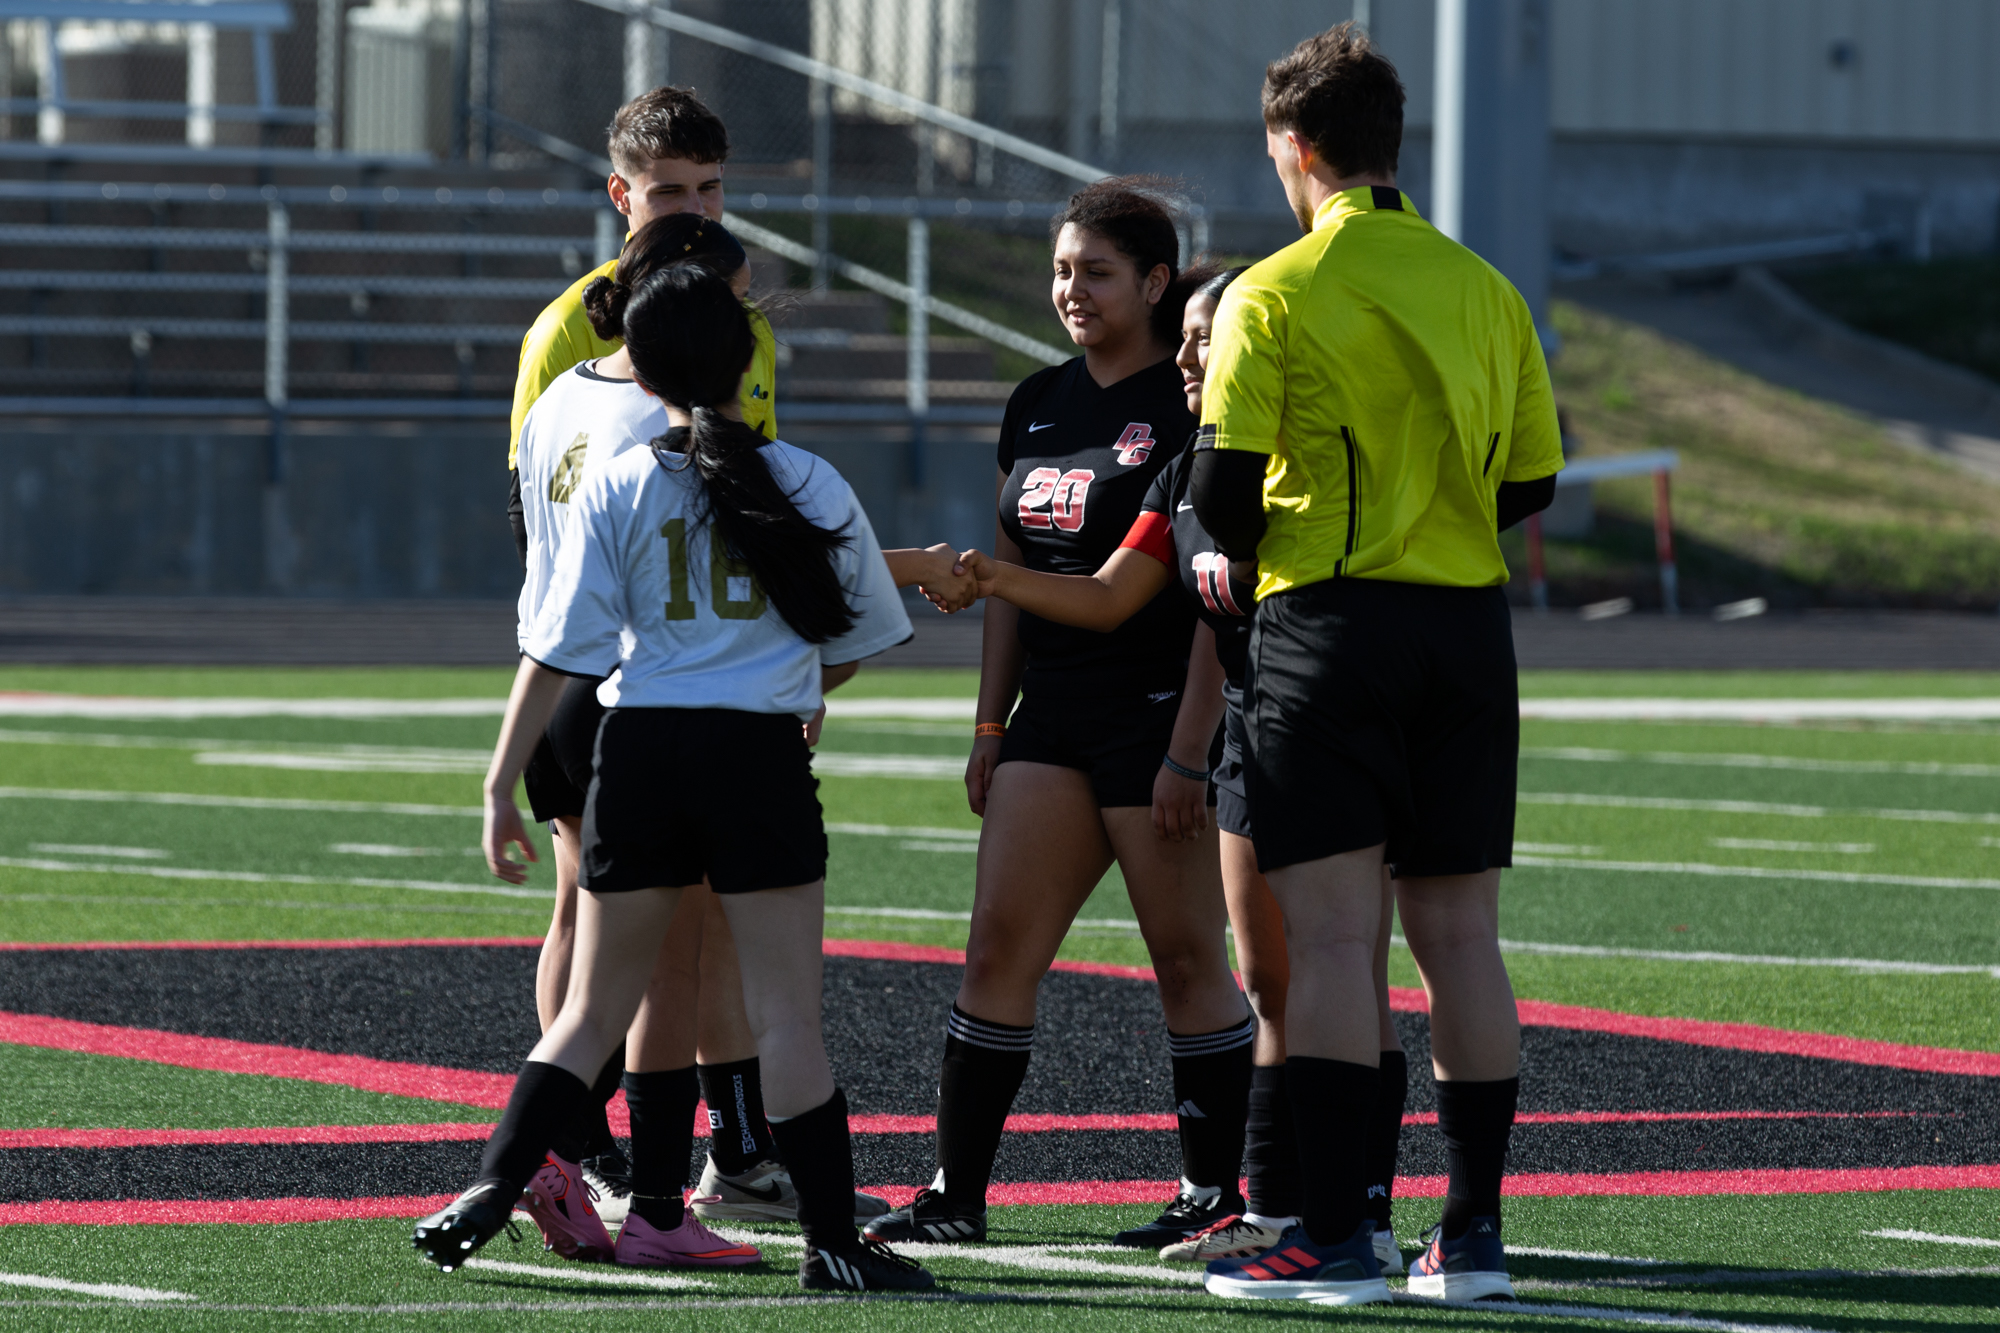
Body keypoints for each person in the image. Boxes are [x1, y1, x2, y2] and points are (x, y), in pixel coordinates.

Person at [414, 262, 935, 1292]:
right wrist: (784, 679)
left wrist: (497, 781)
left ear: (642, 373)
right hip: (757, 754)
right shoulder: (809, 479)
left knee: (589, 1011)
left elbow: (554, 650)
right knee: (785, 1017)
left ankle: (491, 1184)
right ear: (747, 364)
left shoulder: (617, 483)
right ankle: (832, 1243)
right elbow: (859, 639)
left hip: (641, 749)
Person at [1187, 25, 1561, 1305]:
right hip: (1466, 629)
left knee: (1337, 939)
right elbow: (1531, 481)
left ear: (1295, 148)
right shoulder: (1486, 288)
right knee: (1460, 936)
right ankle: (1471, 1237)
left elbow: (1220, 495)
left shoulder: (1272, 289)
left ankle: (1339, 1234)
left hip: (1328, 626)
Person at [939, 262, 1411, 1273]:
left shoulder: (1299, 455)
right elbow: (1113, 595)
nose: (1190, 357)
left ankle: (1364, 1210)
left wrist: (1182, 752)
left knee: (1346, 964)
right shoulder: (1184, 468)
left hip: (1321, 726)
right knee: (1272, 979)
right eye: (1190, 338)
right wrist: (987, 580)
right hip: (1242, 733)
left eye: (1210, 338)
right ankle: (1276, 1209)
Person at [865, 180, 1255, 1252]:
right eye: (1060, 270)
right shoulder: (1035, 398)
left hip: (1157, 718)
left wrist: (1190, 748)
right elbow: (1013, 581)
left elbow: (1208, 595)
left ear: (1156, 283)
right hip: (1054, 714)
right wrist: (990, 724)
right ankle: (955, 1195)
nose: (1071, 289)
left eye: (1096, 272)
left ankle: (1212, 1189)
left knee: (1186, 958)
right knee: (997, 946)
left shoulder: (1193, 402)